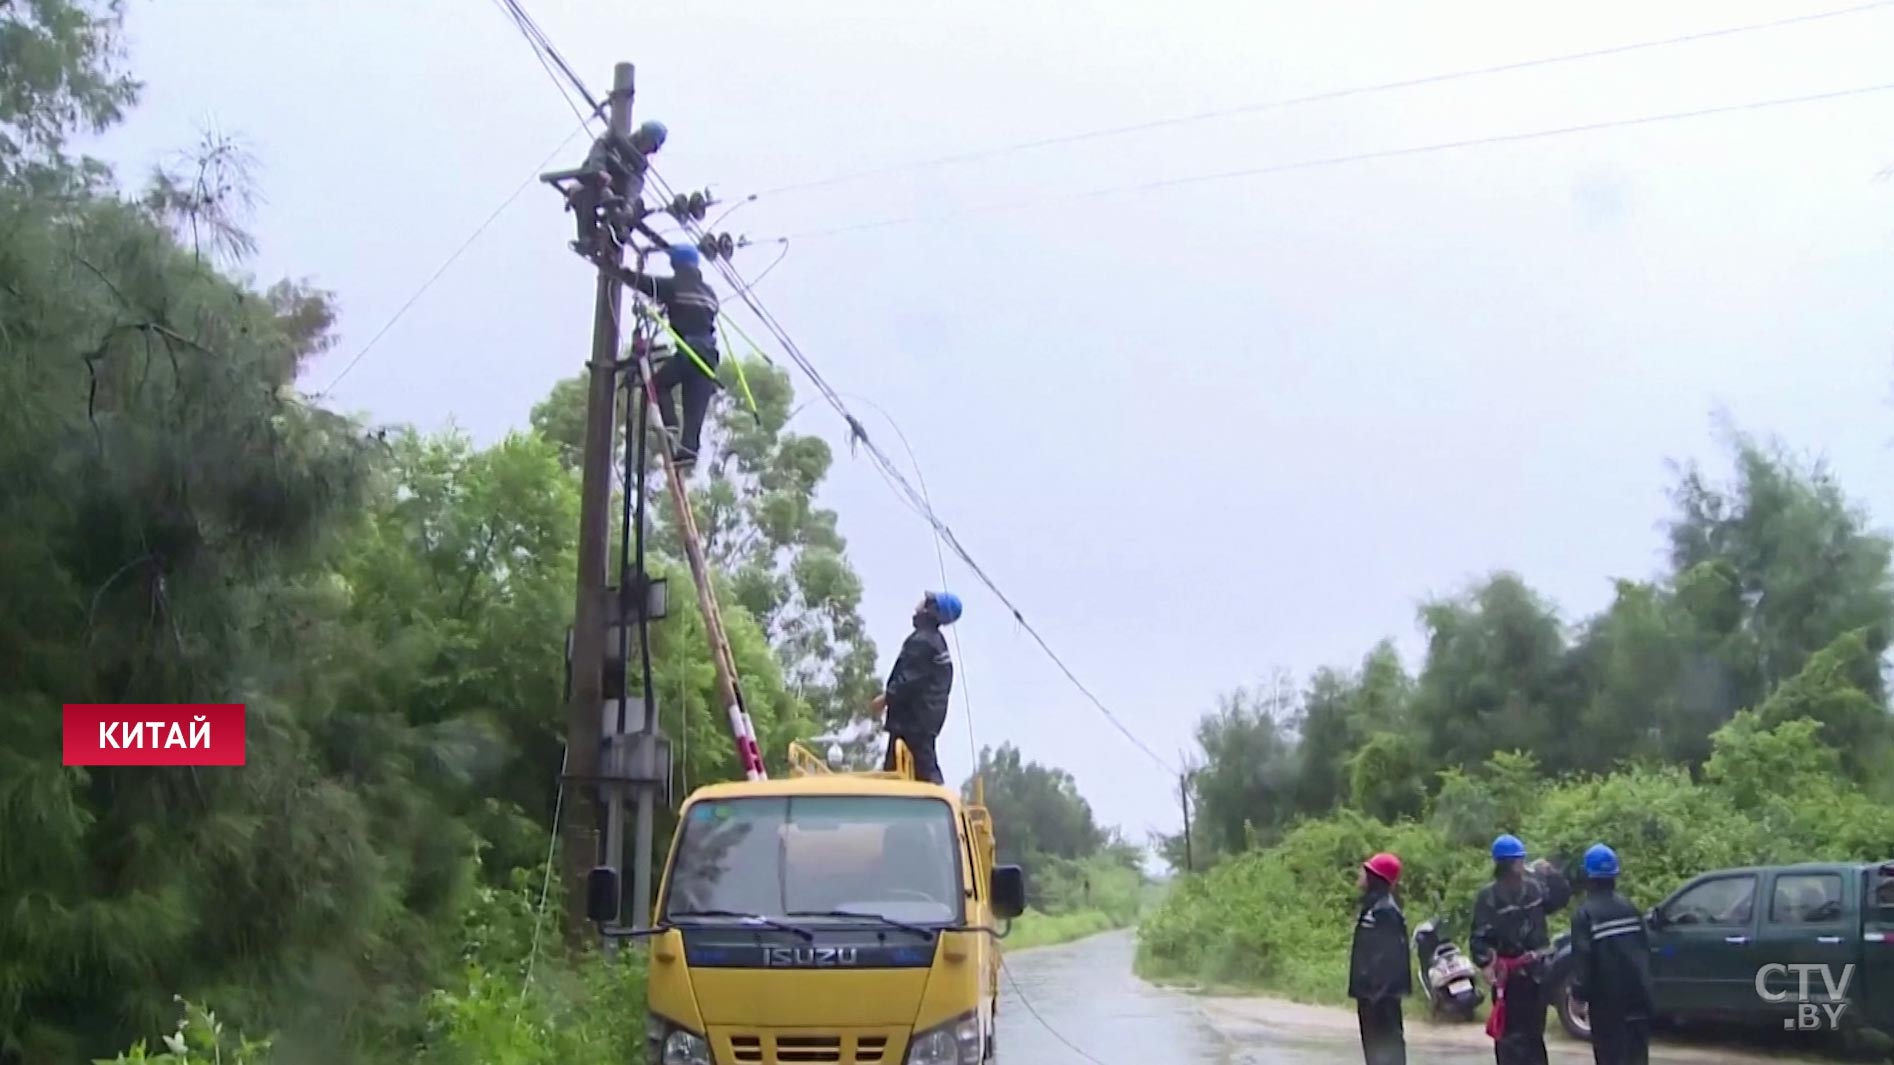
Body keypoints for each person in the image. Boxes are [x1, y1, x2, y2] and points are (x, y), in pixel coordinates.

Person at [618, 243, 721, 471]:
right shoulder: (710, 294)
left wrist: (618, 271)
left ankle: (671, 425)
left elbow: (645, 284)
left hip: (689, 350)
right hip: (709, 357)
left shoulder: (674, 286)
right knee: (695, 411)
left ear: (675, 264)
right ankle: (687, 453)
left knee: (656, 385)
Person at [1471, 833, 1572, 1065]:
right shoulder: (1489, 896)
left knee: (1533, 1036)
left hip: (1536, 974)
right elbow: (1479, 937)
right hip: (1507, 977)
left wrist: (1552, 876)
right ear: (1507, 864)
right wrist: (1486, 962)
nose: (1522, 864)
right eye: (1518, 860)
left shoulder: (1535, 889)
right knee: (1508, 1038)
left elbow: (1560, 899)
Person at [1570, 844, 1653, 1065]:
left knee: (1611, 1058)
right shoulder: (1630, 908)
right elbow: (1645, 950)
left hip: (1607, 1005)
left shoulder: (1585, 914)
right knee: (1637, 1058)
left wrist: (1578, 996)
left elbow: (1583, 961)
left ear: (1587, 876)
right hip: (1638, 999)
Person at [870, 591, 961, 784]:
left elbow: (908, 680)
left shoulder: (923, 641)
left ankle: (940, 805)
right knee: (901, 773)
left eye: (926, 603)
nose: (917, 607)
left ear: (932, 610)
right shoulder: (935, 641)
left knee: (921, 772)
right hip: (921, 721)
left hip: (913, 722)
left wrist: (885, 699)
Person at [1349, 852, 1412, 1065]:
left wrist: (1380, 994)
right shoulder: (1372, 907)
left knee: (1388, 1048)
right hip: (1369, 994)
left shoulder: (1387, 910)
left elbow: (1393, 957)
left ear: (1376, 877)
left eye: (1365, 871)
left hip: (1381, 997)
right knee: (1374, 1050)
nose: (1360, 875)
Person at [569, 120, 667, 256]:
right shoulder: (614, 141)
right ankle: (588, 238)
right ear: (643, 136)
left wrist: (629, 204)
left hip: (617, 193)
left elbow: (636, 182)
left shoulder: (640, 163)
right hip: (594, 183)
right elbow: (599, 149)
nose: (650, 150)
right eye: (650, 145)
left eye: (653, 148)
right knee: (584, 194)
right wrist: (600, 170)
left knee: (637, 205)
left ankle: (615, 242)